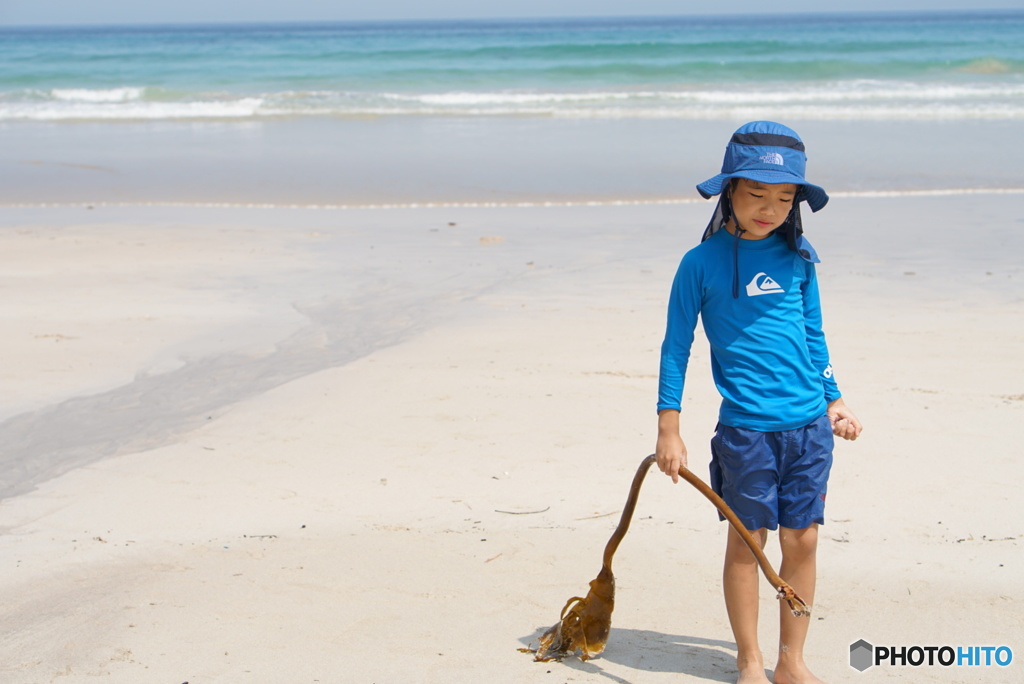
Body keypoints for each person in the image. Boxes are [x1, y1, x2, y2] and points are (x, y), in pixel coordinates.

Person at [655, 121, 862, 684]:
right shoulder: (699, 265)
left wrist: (834, 396)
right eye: (756, 194)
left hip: (809, 426)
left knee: (805, 537)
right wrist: (668, 428)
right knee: (748, 544)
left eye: (784, 196)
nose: (770, 207)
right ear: (730, 191)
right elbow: (677, 348)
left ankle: (791, 660)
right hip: (746, 431)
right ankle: (750, 660)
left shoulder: (800, 259)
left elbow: (813, 335)